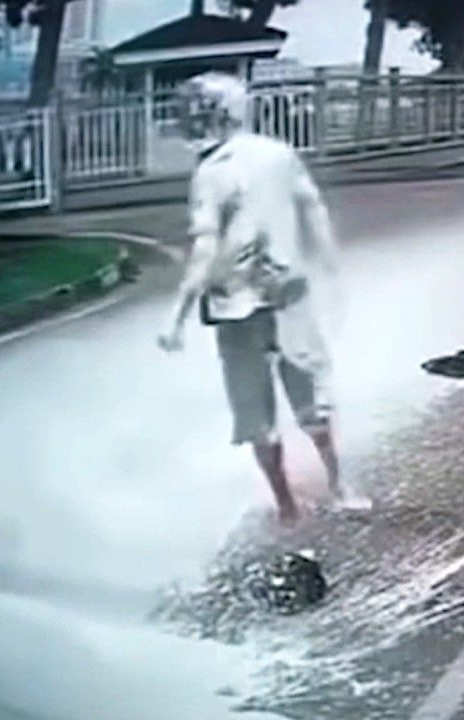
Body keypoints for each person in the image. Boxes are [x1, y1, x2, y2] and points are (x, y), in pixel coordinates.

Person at [158, 73, 368, 524]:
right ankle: (338, 485)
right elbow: (314, 208)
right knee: (311, 400)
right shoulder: (279, 155)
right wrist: (330, 266)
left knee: (257, 415)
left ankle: (288, 505)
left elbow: (205, 246)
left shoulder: (211, 173)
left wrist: (176, 315)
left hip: (236, 308)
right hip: (288, 294)